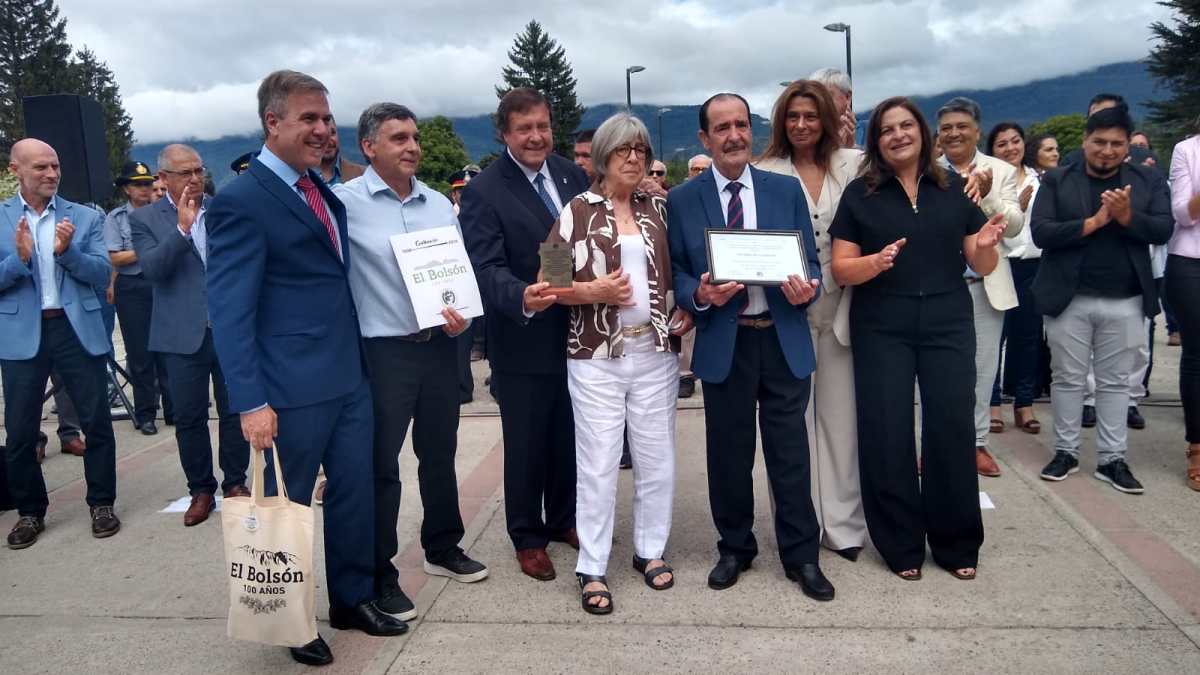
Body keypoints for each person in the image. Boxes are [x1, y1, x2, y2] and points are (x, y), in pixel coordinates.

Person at [205, 70, 406, 667]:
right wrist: (250, 401)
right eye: (309, 119)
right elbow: (230, 312)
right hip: (289, 389)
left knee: (353, 494)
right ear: (273, 123)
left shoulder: (317, 187)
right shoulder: (241, 201)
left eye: (326, 118)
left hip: (347, 376)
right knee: (286, 512)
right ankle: (290, 620)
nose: (323, 129)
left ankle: (352, 599)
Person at [833, 96, 1006, 581]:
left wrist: (986, 246)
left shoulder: (951, 188)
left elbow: (981, 262)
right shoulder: (860, 194)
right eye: (887, 129)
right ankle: (900, 543)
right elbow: (841, 269)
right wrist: (875, 262)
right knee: (887, 430)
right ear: (876, 141)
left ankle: (956, 543)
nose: (898, 135)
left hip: (947, 321)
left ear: (922, 133)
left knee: (950, 427)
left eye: (906, 125)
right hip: (881, 323)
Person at [668, 92, 833, 601]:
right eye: (722, 128)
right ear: (705, 138)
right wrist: (699, 293)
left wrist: (808, 288)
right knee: (729, 455)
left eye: (741, 124)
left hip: (781, 338)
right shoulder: (683, 199)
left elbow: (810, 263)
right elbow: (677, 272)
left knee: (791, 454)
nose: (734, 135)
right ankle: (735, 548)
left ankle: (801, 556)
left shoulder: (784, 189)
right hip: (726, 341)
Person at [334, 103, 489, 623]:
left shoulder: (439, 203)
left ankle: (443, 546)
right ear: (369, 147)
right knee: (380, 465)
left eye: (415, 137)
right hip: (384, 352)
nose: (413, 147)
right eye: (399, 138)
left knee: (440, 452)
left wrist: (462, 316)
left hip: (440, 346)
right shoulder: (344, 204)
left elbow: (455, 272)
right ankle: (379, 572)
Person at [542, 112, 691, 613]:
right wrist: (593, 291)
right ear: (603, 156)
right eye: (624, 149)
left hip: (655, 353)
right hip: (595, 356)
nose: (634, 158)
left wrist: (687, 307)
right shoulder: (574, 212)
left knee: (656, 459)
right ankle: (592, 564)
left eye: (641, 150)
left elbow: (683, 268)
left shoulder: (659, 209)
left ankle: (649, 550)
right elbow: (548, 283)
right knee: (599, 463)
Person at [461, 87, 590, 581]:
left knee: (567, 435)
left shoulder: (571, 174)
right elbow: (484, 265)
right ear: (504, 134)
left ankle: (563, 518)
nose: (536, 137)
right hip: (523, 334)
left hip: (577, 330)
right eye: (524, 129)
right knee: (527, 442)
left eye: (542, 126)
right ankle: (527, 535)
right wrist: (521, 296)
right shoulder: (484, 190)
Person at [1031, 106, 1173, 495]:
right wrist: (1091, 224)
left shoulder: (1146, 180)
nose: (1107, 150)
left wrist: (1127, 218)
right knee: (1067, 379)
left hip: (1125, 297)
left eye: (1116, 144)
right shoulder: (1058, 179)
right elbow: (1041, 232)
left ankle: (1112, 459)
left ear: (1127, 146)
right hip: (1069, 297)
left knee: (1115, 383)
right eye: (1099, 142)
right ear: (1085, 141)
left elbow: (1163, 229)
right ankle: (1065, 452)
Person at [754, 80, 866, 560]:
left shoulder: (855, 164)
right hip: (787, 313)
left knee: (841, 422)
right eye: (793, 116)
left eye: (811, 116)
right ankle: (798, 523)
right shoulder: (764, 171)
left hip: (843, 307)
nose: (801, 125)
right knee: (790, 431)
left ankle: (843, 526)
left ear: (827, 119)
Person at [1, 138, 120, 549]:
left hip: (75, 329)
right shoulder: (1, 218)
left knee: (96, 421)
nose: (51, 174)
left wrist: (67, 253)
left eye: (55, 166)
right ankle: (30, 512)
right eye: (40, 167)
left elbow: (101, 273)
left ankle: (101, 503)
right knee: (20, 430)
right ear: (15, 170)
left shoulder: (84, 217)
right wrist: (19, 260)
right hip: (22, 334)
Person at [129, 143, 251, 527]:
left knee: (235, 410)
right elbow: (152, 270)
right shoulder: (145, 219)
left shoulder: (222, 208)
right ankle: (201, 489)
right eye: (186, 173)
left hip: (228, 329)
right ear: (163, 178)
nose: (196, 178)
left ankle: (235, 482)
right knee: (189, 416)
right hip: (181, 335)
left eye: (199, 171)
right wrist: (182, 229)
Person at [935, 97, 1024, 478]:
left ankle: (976, 443)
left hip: (984, 284)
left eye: (962, 127)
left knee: (982, 368)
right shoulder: (926, 168)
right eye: (946, 128)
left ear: (977, 131)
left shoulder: (1000, 170)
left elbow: (1015, 225)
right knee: (934, 372)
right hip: (938, 286)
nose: (954, 133)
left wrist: (987, 195)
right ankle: (934, 446)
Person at [105, 160, 173, 436]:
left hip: (163, 282)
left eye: (147, 183)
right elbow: (115, 256)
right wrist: (148, 249)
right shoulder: (117, 218)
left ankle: (174, 408)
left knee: (169, 349)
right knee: (140, 352)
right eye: (138, 184)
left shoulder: (164, 212)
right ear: (126, 189)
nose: (145, 189)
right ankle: (146, 413)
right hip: (133, 285)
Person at [986, 123, 1044, 435]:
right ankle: (993, 404)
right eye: (1002, 144)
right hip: (1000, 264)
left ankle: (1024, 403)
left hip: (1033, 266)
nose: (1010, 148)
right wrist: (1014, 210)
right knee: (996, 338)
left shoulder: (1040, 179)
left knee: (1028, 338)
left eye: (1015, 141)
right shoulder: (988, 179)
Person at [1166, 125, 1200, 491]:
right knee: (1197, 353)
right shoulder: (1187, 150)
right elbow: (1183, 214)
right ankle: (1197, 446)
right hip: (1191, 260)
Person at [807, 68, 858, 149]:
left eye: (826, 96)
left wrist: (849, 149)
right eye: (815, 97)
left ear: (847, 97)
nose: (820, 102)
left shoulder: (868, 133)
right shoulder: (803, 134)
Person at [318, 118, 365, 186]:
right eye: (320, 135)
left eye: (332, 133)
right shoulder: (302, 176)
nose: (328, 141)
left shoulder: (363, 175)